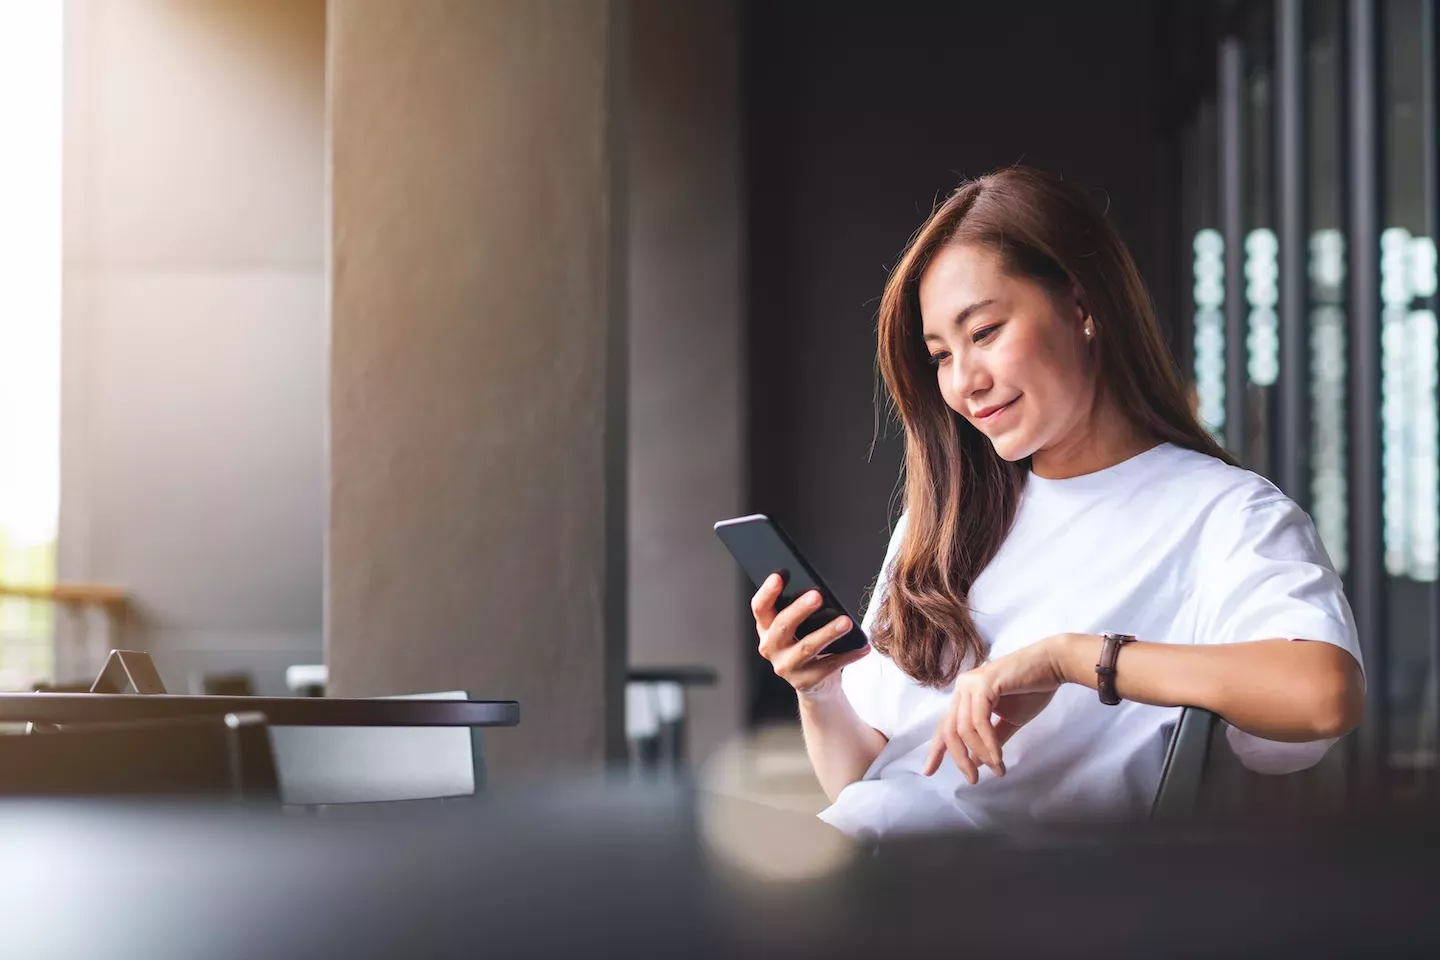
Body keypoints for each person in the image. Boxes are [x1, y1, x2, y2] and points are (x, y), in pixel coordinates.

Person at [751, 166, 1366, 838]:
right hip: (863, 874)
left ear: (1082, 306)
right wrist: (819, 689)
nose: (965, 383)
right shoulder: (946, 522)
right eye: (940, 355)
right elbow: (865, 782)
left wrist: (1074, 659)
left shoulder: (1223, 516)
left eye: (984, 333)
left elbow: (1323, 694)